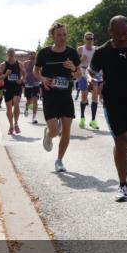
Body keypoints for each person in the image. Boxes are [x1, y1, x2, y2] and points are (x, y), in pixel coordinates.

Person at [90, 17, 127, 201]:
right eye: (118, 35)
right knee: (122, 141)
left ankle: (120, 148)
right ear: (111, 33)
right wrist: (92, 79)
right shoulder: (102, 51)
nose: (123, 38)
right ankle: (123, 185)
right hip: (112, 102)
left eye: (126, 34)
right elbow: (91, 71)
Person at [35, 22, 83, 172]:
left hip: (65, 96)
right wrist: (42, 79)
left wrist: (73, 68)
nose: (62, 38)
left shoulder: (72, 53)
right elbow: (36, 71)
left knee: (67, 130)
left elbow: (79, 75)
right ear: (53, 36)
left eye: (64, 34)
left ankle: (59, 160)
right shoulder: (44, 53)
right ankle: (49, 133)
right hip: (49, 96)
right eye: (59, 35)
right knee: (55, 132)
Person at [2, 48, 25, 134]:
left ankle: (16, 124)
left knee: (16, 103)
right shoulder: (3, 64)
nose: (11, 54)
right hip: (7, 87)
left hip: (17, 87)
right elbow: (0, 77)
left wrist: (21, 80)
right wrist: (6, 74)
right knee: (8, 108)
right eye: (9, 52)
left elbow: (24, 74)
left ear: (14, 54)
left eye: (12, 52)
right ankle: (11, 125)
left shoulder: (19, 64)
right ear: (7, 54)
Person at [77, 33, 96, 129]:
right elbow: (75, 63)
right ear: (84, 39)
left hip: (93, 73)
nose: (89, 40)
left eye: (91, 38)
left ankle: (93, 120)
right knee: (84, 96)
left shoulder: (96, 49)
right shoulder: (80, 49)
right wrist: (81, 59)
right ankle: (82, 118)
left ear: (93, 39)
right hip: (82, 72)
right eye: (87, 38)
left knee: (95, 96)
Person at [22, 51, 42, 124]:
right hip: (28, 85)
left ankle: (34, 118)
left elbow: (41, 72)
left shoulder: (38, 63)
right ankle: (26, 109)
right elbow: (23, 73)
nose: (32, 56)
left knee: (35, 101)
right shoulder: (25, 63)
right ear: (29, 56)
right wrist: (23, 78)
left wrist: (41, 78)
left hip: (36, 84)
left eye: (34, 55)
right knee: (29, 101)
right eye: (31, 55)